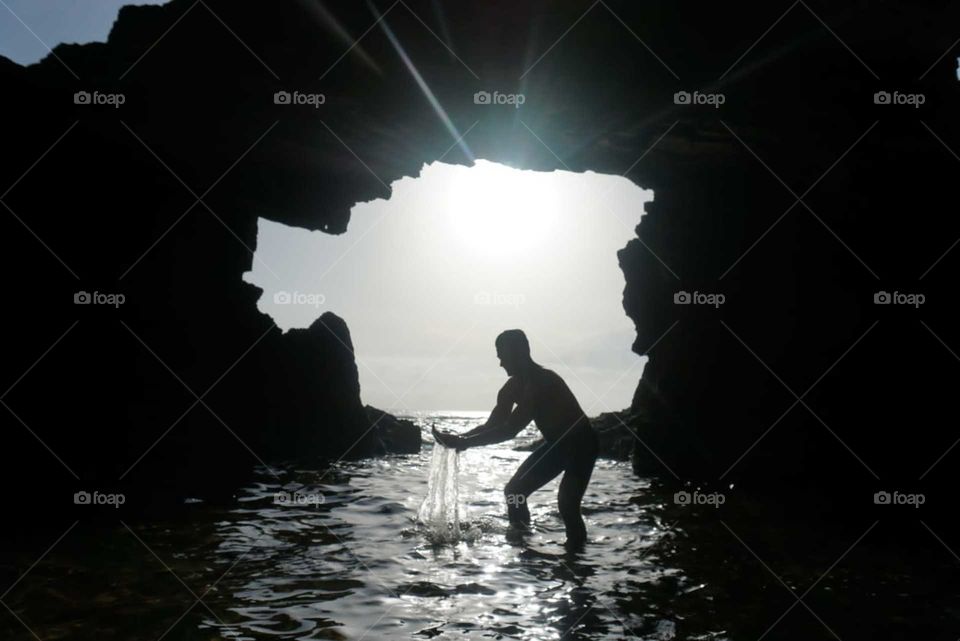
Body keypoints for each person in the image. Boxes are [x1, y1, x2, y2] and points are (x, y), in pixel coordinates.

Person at [433, 329, 599, 549]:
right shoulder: (511, 389)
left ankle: (576, 558)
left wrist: (463, 443)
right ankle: (522, 543)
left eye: (502, 355)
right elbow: (493, 424)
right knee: (514, 492)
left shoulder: (542, 382)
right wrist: (459, 438)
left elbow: (510, 430)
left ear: (519, 352)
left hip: (582, 445)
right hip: (556, 447)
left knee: (567, 505)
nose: (500, 363)